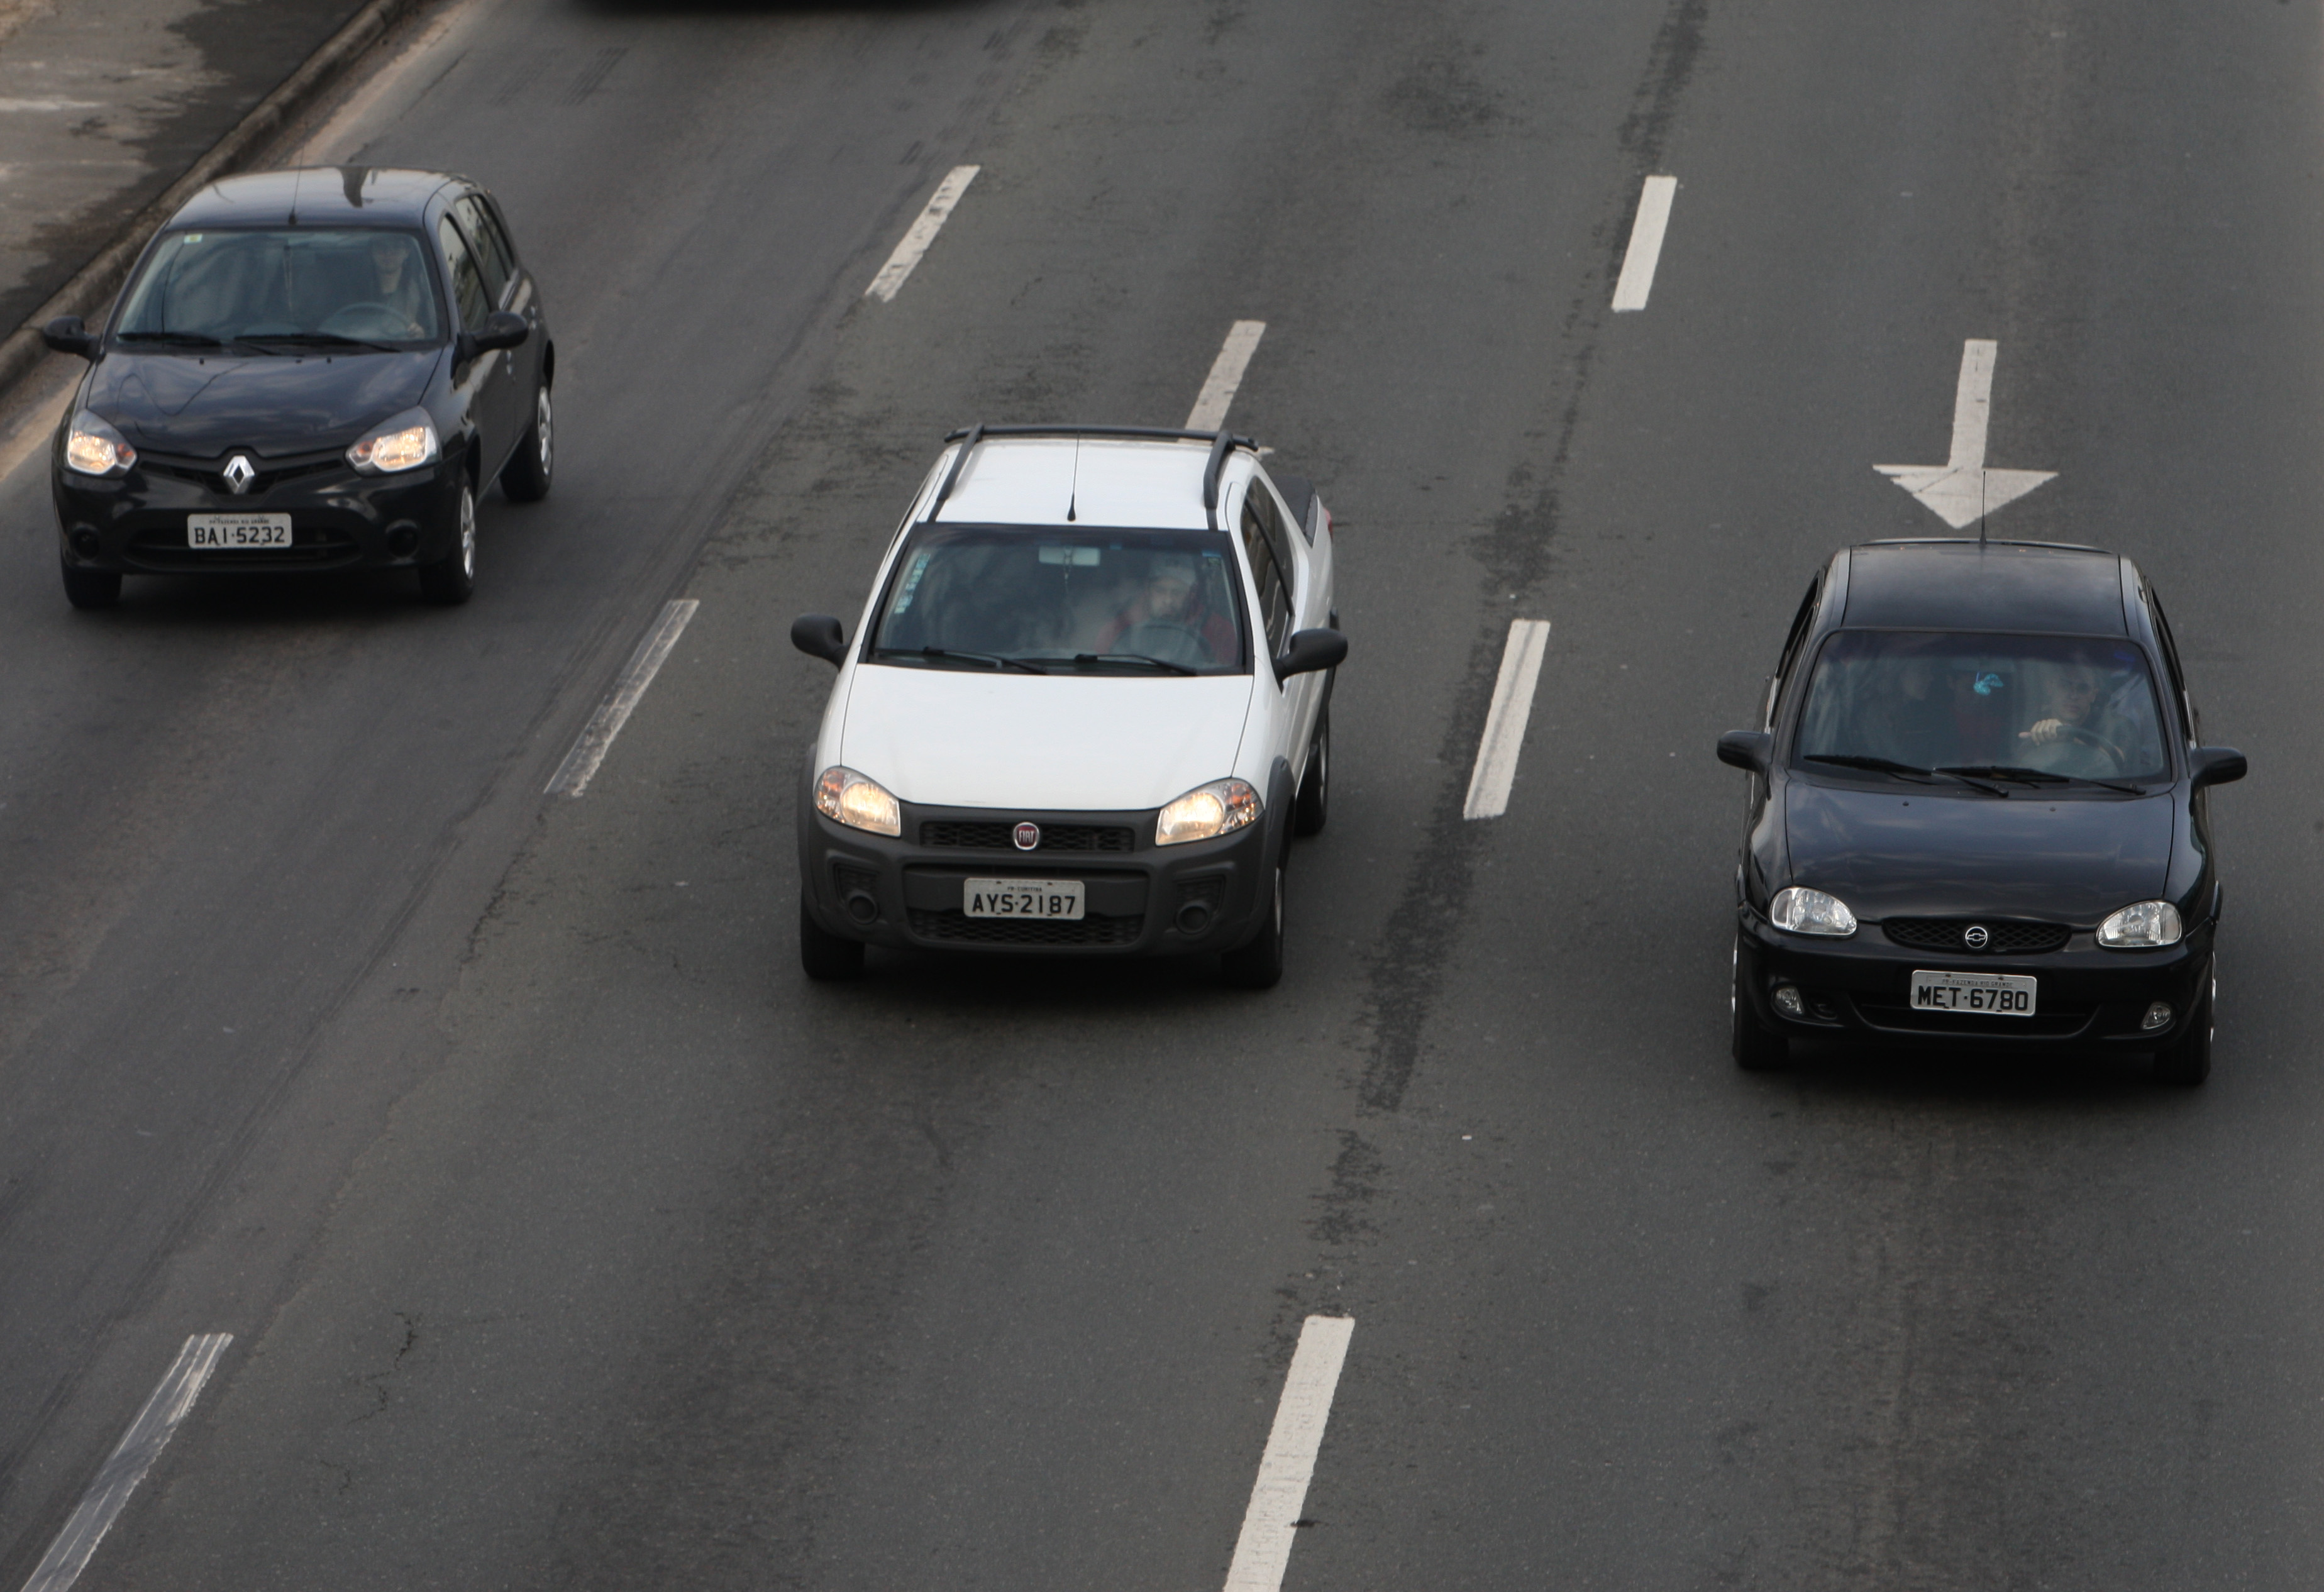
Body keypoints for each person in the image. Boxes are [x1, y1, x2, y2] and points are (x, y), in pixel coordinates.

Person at [1095, 556, 1236, 665]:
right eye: (1160, 591)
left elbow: (1231, 678)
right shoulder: (1119, 628)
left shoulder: (1220, 631)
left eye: (1177, 592)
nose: (1168, 600)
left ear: (1192, 593)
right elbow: (1100, 670)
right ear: (1148, 590)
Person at [363, 235, 433, 338]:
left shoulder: (423, 293)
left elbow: (434, 334)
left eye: (396, 247)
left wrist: (421, 335)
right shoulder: (354, 291)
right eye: (381, 246)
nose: (388, 253)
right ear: (372, 251)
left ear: (407, 252)